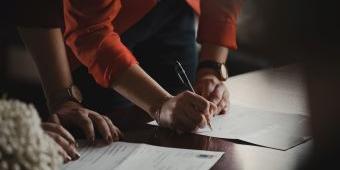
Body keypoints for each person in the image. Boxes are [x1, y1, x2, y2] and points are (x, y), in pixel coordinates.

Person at [53, 0, 242, 142]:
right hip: (103, 26)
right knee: (112, 140)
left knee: (187, 129)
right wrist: (159, 104)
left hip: (176, 9)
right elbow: (91, 32)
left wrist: (211, 69)